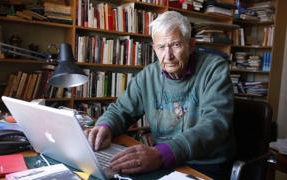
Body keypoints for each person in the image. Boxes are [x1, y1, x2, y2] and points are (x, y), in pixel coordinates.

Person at [85, 11, 235, 179]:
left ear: (191, 45)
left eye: (176, 45)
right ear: (154, 48)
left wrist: (161, 154)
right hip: (164, 160)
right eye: (161, 47)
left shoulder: (214, 69)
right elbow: (121, 109)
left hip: (205, 164)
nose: (168, 56)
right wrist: (105, 126)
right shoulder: (148, 75)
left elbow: (214, 125)